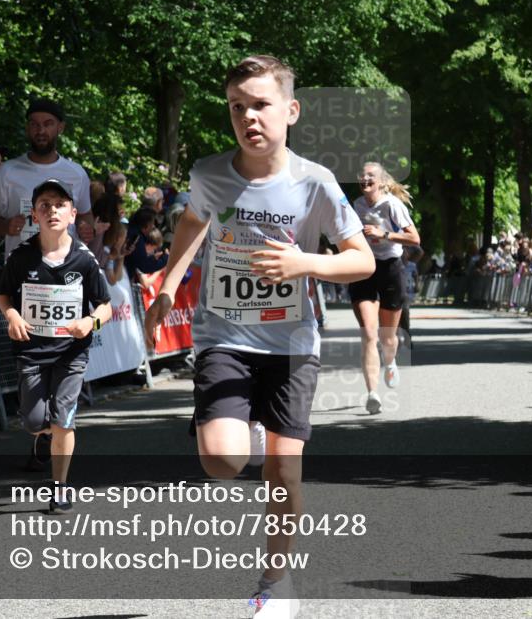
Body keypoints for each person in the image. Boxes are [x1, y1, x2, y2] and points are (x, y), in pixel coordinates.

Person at [142, 55, 373, 618]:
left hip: (292, 343)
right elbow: (194, 222)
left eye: (261, 105)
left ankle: (274, 581)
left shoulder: (314, 183)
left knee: (283, 470)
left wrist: (305, 264)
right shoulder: (210, 174)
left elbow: (362, 260)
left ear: (290, 111)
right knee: (223, 462)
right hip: (223, 334)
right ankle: (237, 421)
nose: (248, 117)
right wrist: (169, 285)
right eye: (237, 107)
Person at [0, 179, 111, 514]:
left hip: (71, 353)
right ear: (34, 214)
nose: (52, 210)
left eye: (59, 204)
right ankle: (43, 435)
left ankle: (60, 487)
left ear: (73, 214)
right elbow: (3, 295)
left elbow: (105, 304)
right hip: (31, 351)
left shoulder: (84, 260)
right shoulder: (21, 256)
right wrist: (12, 315)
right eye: (44, 205)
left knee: (64, 421)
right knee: (34, 422)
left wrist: (90, 322)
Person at [348, 162, 421, 414]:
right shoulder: (355, 206)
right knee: (369, 333)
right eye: (361, 174)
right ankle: (372, 393)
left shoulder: (392, 205)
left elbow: (414, 238)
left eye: (370, 175)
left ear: (380, 181)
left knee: (387, 336)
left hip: (391, 267)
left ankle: (390, 362)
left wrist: (385, 234)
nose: (365, 178)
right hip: (364, 267)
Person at [0, 98, 95, 257]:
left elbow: (85, 214)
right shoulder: (7, 171)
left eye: (48, 124)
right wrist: (6, 226)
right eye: (34, 124)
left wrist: (85, 226)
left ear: (60, 128)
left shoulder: (77, 173)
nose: (41, 131)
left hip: (63, 273)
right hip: (20, 273)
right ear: (27, 128)